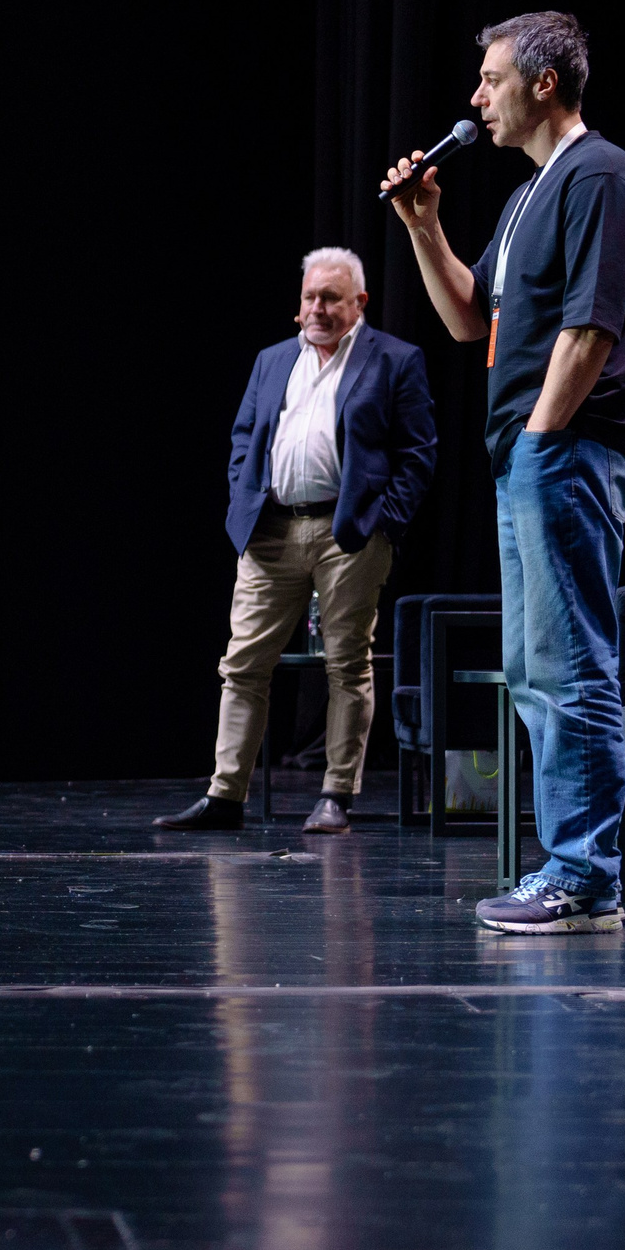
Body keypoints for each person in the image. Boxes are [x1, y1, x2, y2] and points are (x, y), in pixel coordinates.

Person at [382, 10, 625, 934]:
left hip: (566, 452)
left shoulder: (599, 176)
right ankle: (571, 866)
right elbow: (471, 318)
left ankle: (585, 873)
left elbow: (590, 331)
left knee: (570, 661)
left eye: (490, 79)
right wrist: (425, 227)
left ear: (543, 84)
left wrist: (542, 439)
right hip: (529, 457)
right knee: (534, 666)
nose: (476, 98)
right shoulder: (527, 195)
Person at [158, 249, 438, 837]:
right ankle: (225, 795)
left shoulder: (395, 359)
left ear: (359, 303)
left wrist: (384, 521)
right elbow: (244, 438)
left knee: (346, 665)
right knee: (242, 665)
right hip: (272, 533)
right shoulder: (273, 360)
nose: (318, 308)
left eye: (332, 298)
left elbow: (418, 453)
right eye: (311, 297)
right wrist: (244, 501)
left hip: (350, 534)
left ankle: (337, 794)